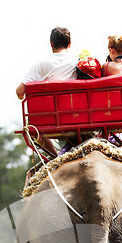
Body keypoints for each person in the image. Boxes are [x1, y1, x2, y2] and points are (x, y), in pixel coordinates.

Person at [16, 27, 77, 157]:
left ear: (51, 43)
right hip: (78, 117)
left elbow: (20, 91)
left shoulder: (41, 64)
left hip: (51, 120)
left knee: (36, 128)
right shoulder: (77, 62)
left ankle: (55, 157)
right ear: (69, 44)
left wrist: (21, 96)